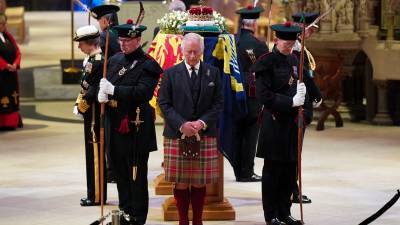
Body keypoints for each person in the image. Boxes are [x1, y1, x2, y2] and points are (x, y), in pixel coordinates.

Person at [97, 18, 162, 225]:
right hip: (114, 125)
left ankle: (138, 216)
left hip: (136, 127)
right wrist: (102, 95)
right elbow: (107, 85)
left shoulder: (148, 65)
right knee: (118, 172)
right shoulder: (114, 60)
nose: (123, 44)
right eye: (122, 40)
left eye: (127, 41)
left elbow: (143, 92)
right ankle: (125, 211)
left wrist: (114, 91)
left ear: (138, 40)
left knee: (136, 175)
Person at [253, 22, 318, 225]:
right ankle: (271, 215)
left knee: (290, 172)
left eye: (291, 44)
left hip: (293, 126)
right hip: (274, 124)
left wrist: (305, 114)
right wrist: (290, 102)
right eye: (285, 43)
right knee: (273, 172)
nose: (288, 47)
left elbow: (305, 93)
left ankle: (285, 213)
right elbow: (264, 96)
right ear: (277, 40)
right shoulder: (266, 63)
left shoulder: (296, 61)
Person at [158, 32, 223, 225]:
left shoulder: (213, 72)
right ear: (182, 51)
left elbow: (218, 103)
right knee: (181, 180)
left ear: (202, 51)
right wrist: (182, 125)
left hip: (204, 134)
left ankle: (198, 221)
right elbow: (164, 103)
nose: (192, 56)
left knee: (198, 180)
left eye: (196, 52)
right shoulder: (170, 73)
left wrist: (201, 123)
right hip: (177, 134)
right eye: (189, 52)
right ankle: (183, 220)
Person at [233, 5, 269, 182]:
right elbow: (266, 71)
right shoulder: (259, 45)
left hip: (233, 92)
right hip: (251, 93)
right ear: (254, 23)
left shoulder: (232, 41)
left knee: (238, 132)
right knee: (251, 133)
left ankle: (238, 170)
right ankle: (247, 172)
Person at [291, 12, 323, 204]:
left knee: (295, 152)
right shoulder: (295, 51)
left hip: (302, 104)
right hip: (297, 107)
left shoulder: (298, 48)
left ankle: (293, 189)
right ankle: (292, 190)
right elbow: (305, 77)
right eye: (310, 29)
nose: (311, 33)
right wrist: (317, 94)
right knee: (293, 152)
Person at [73, 25, 107, 207]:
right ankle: (93, 193)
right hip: (90, 113)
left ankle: (96, 196)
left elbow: (92, 90)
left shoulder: (97, 61)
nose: (79, 47)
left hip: (94, 115)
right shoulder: (92, 59)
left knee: (94, 154)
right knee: (91, 153)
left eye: (81, 44)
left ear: (89, 43)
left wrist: (81, 107)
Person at [90, 3, 121, 183]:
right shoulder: (120, 34)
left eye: (100, 20)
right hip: (119, 85)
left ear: (105, 20)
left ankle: (112, 171)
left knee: (108, 132)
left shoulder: (104, 36)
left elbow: (100, 62)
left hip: (108, 85)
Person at [0, 13, 22, 130]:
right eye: (1, 23)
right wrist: (5, 65)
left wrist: (15, 64)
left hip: (11, 73)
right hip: (1, 73)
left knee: (12, 97)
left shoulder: (8, 36)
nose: (4, 26)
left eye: (4, 23)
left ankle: (11, 122)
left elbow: (17, 51)